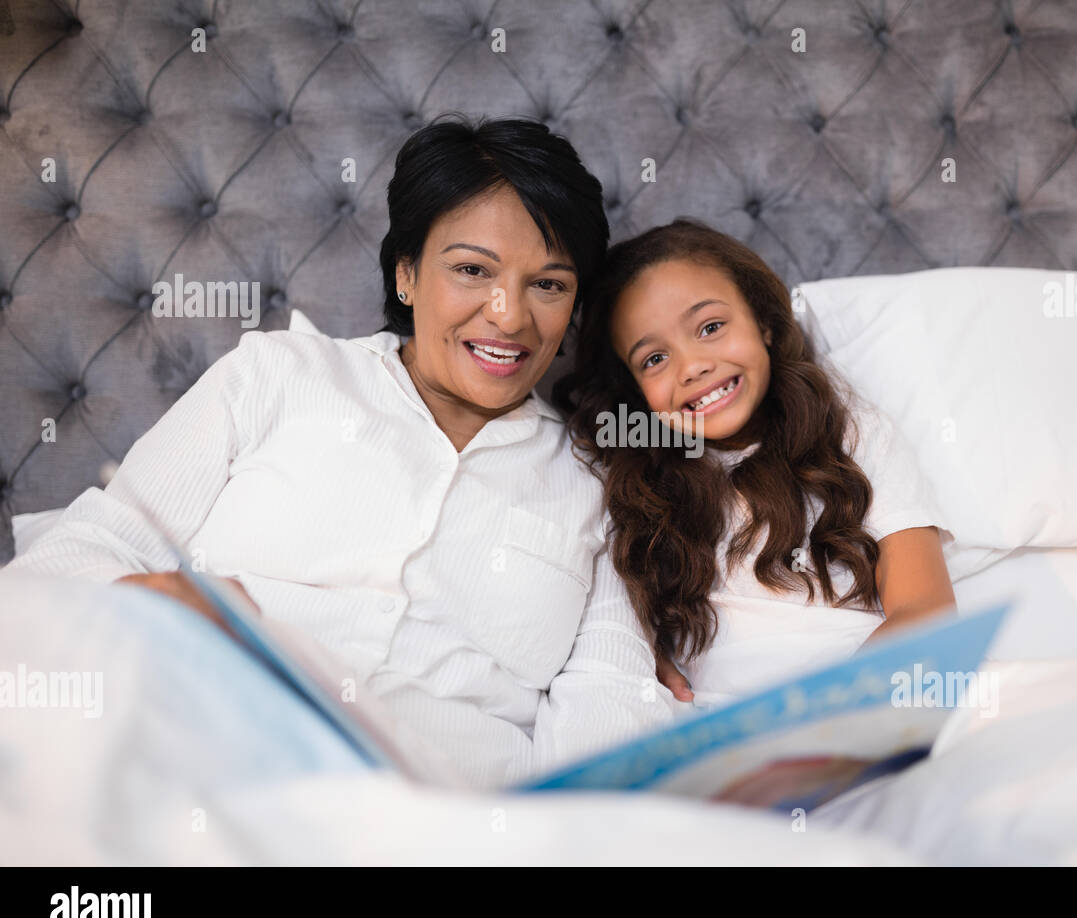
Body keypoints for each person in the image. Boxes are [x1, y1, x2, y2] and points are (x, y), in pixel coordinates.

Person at [6, 115, 677, 786]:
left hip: (447, 806)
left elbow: (609, 690)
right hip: (209, 749)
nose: (509, 315)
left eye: (549, 284)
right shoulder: (277, 374)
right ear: (408, 273)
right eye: (472, 269)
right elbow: (80, 552)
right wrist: (147, 601)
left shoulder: (599, 482)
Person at [557, 219, 957, 708]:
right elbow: (602, 615)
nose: (693, 366)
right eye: (654, 359)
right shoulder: (629, 479)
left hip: (871, 693)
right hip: (720, 717)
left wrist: (827, 713)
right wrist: (640, 651)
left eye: (710, 327)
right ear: (635, 392)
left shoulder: (853, 434)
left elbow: (926, 610)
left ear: (764, 322)